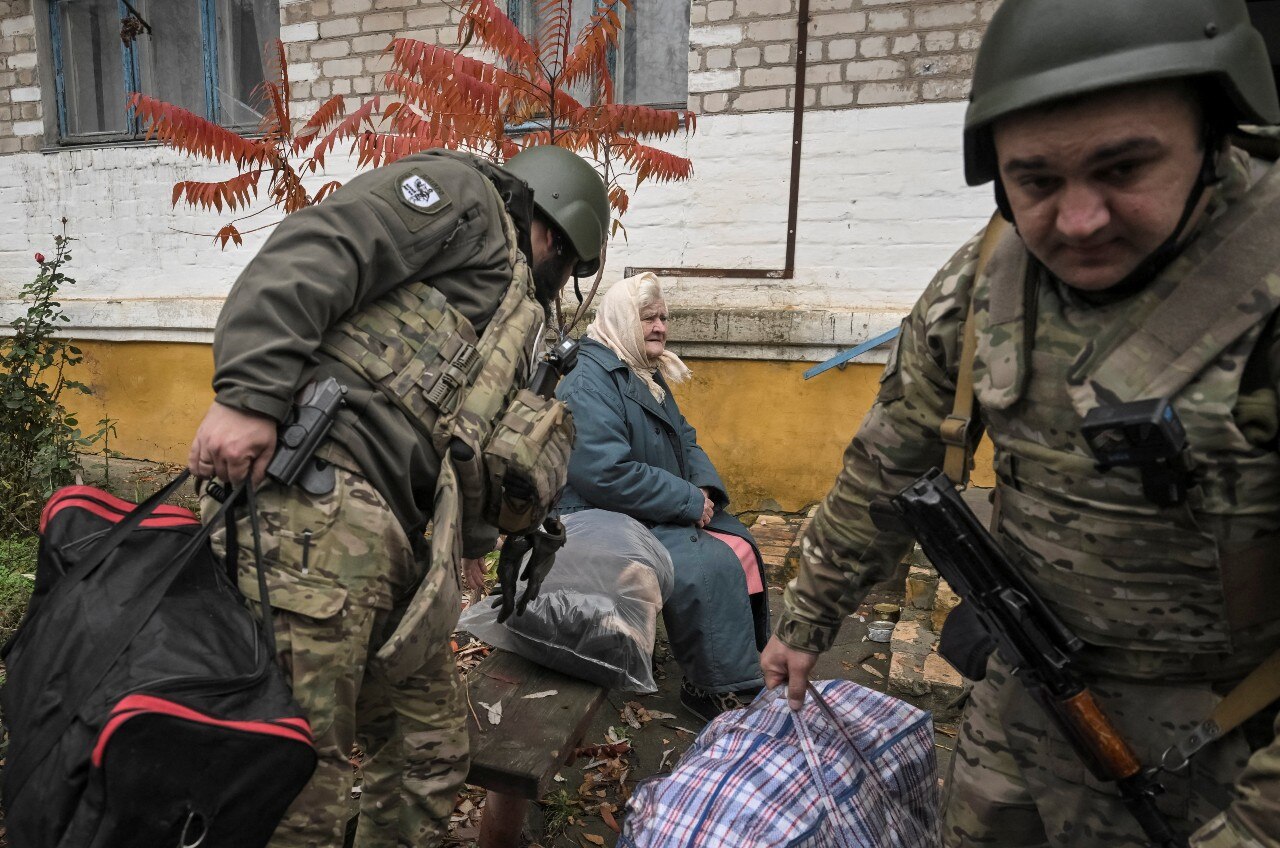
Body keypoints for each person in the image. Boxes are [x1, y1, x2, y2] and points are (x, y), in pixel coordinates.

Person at [761, 1, 1280, 845]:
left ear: (1215, 129)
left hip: (1225, 742)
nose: (1079, 219)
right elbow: (888, 464)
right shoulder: (987, 281)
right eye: (1036, 182)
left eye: (1122, 167)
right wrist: (807, 619)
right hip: (1029, 697)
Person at [187, 145, 609, 847]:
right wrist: (250, 396)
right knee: (294, 790)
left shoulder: (517, 317)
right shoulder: (464, 198)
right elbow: (321, 246)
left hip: (401, 555)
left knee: (430, 756)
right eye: (562, 260)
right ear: (550, 224)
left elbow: (475, 442)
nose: (558, 279)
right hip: (310, 513)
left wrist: (469, 550)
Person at [555, 272, 769, 721]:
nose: (659, 328)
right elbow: (602, 473)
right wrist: (687, 501)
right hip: (597, 517)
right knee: (705, 564)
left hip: (641, 507)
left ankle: (744, 669)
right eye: (647, 318)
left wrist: (704, 488)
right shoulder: (588, 378)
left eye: (663, 318)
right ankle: (711, 690)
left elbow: (684, 437)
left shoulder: (639, 368)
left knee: (741, 547)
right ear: (621, 321)